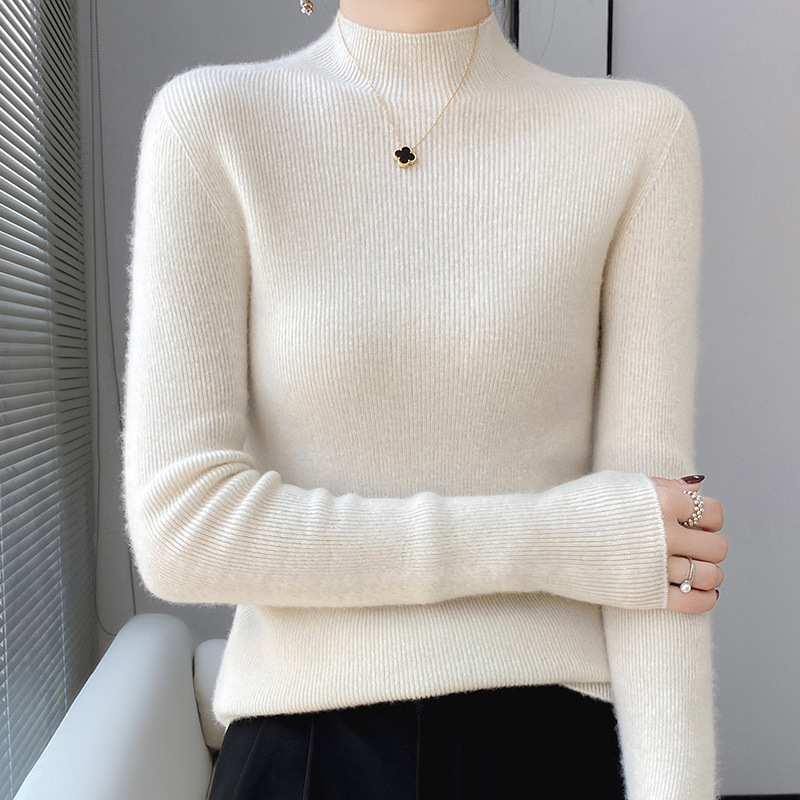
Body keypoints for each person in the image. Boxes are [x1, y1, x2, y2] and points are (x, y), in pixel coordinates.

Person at [121, 0, 729, 797]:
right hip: (306, 752)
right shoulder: (212, 123)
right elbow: (182, 528)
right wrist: (565, 540)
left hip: (554, 742)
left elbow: (660, 549)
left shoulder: (639, 134)